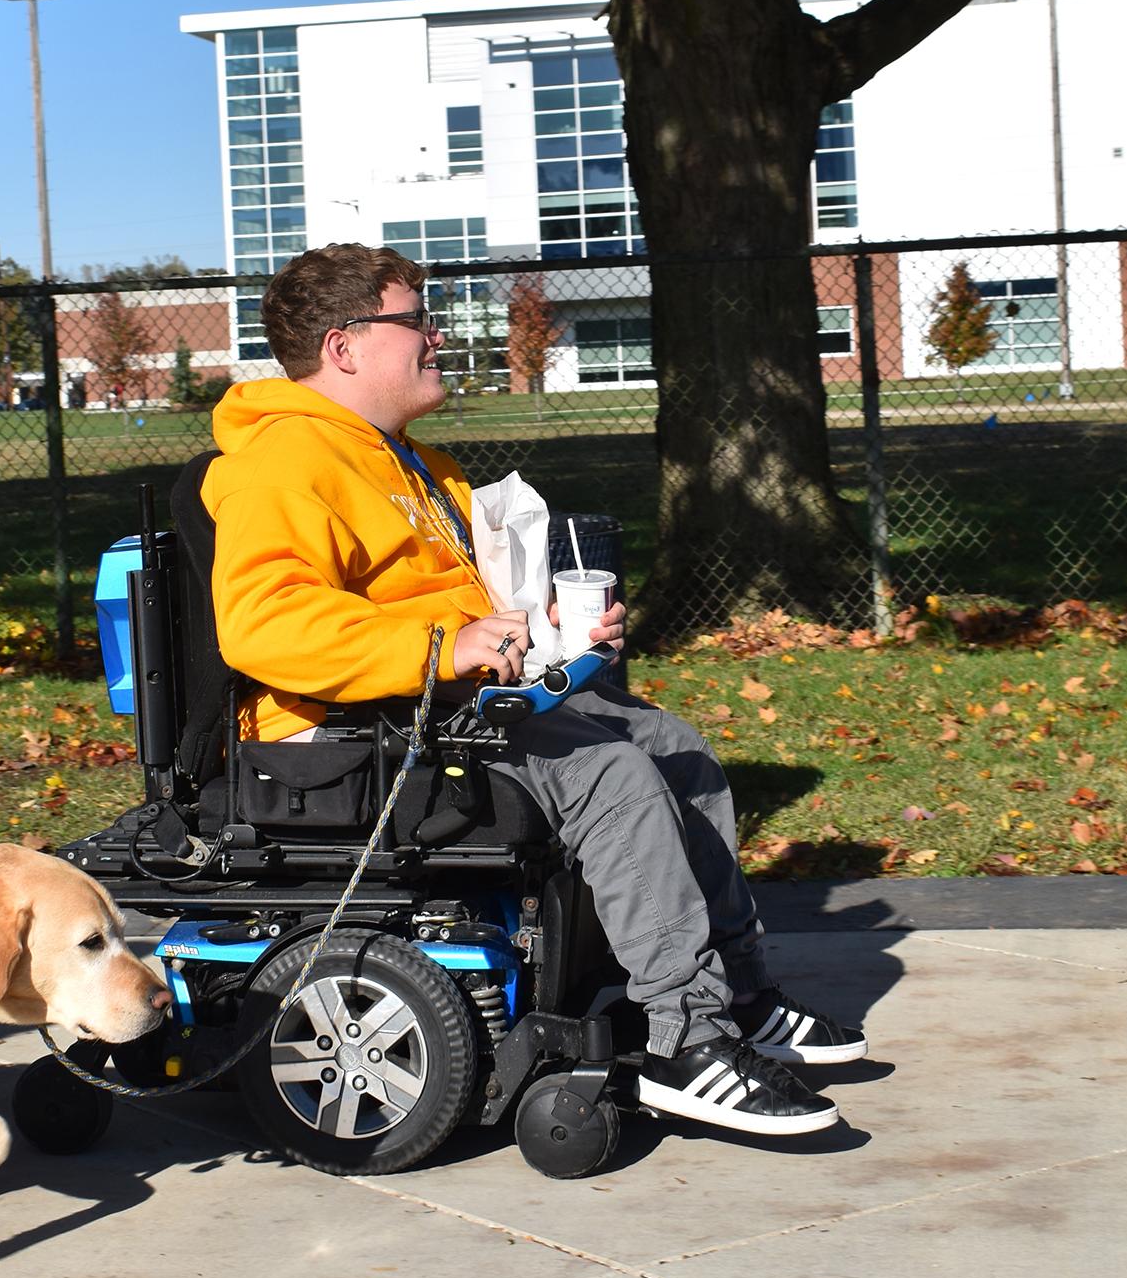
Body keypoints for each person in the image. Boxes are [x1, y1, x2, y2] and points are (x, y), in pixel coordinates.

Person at [202, 243, 866, 1138]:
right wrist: (445, 644)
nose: (436, 336)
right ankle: (684, 1040)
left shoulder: (408, 460)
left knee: (671, 747)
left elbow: (469, 610)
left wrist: (555, 631)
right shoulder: (283, 460)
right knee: (611, 774)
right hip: (345, 736)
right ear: (345, 344)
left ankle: (736, 996)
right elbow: (264, 626)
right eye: (415, 321)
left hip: (435, 705)